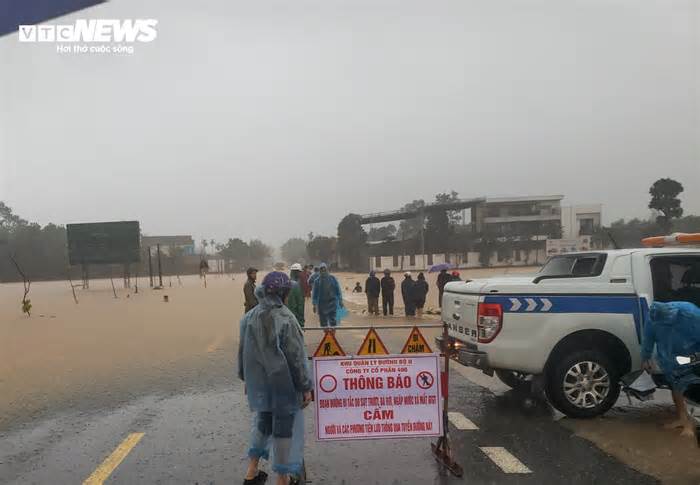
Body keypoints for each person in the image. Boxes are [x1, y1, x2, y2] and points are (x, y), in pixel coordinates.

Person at [238, 272, 313, 485]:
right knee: (284, 431)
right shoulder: (286, 318)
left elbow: (242, 354)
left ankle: (251, 473)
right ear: (283, 293)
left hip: (259, 387)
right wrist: (306, 386)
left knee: (262, 424)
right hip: (283, 387)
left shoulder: (249, 317)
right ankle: (282, 478)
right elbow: (296, 358)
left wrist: (247, 380)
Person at [642, 301, 700, 438]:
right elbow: (648, 339)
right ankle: (683, 419)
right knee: (675, 385)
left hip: (693, 352)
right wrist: (645, 357)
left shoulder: (690, 314)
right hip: (670, 356)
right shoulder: (653, 317)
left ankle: (691, 424)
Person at [312, 263, 343, 330]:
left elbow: (338, 290)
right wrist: (314, 305)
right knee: (323, 323)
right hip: (321, 304)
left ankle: (332, 334)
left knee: (333, 321)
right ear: (319, 271)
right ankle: (326, 335)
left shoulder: (333, 278)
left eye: (324, 270)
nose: (323, 272)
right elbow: (315, 294)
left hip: (332, 302)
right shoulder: (317, 281)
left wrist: (340, 301)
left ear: (327, 270)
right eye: (321, 270)